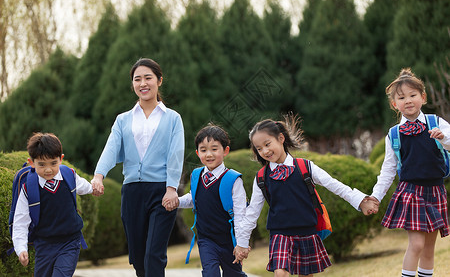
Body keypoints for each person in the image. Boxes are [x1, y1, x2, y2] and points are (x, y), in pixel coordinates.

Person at [235, 115, 378, 276]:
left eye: (267, 144)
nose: (265, 151)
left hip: (307, 231)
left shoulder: (305, 167)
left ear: (281, 138)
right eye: (259, 149)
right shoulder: (261, 177)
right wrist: (241, 243)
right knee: (280, 273)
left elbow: (334, 185)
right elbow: (252, 212)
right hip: (279, 233)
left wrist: (360, 201)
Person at [91, 58, 185, 277]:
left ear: (159, 81)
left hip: (162, 192)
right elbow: (111, 148)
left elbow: (176, 154)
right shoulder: (123, 119)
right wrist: (98, 176)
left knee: (154, 254)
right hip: (132, 192)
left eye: (148, 78)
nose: (143, 83)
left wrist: (172, 188)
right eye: (137, 79)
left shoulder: (173, 118)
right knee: (138, 256)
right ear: (133, 84)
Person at [364, 68, 450, 277]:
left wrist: (443, 138)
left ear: (423, 97)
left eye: (413, 95)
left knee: (429, 248)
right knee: (417, 244)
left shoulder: (436, 122)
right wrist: (375, 196)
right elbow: (388, 170)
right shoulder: (394, 134)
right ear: (395, 104)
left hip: (435, 190)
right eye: (402, 98)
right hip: (411, 192)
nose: (408, 101)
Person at [12, 132, 93, 276]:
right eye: (41, 165)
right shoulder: (28, 188)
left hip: (70, 242)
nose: (48, 169)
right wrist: (21, 249)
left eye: (53, 163)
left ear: (61, 159)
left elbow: (84, 186)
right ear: (32, 163)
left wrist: (95, 188)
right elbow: (21, 221)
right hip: (44, 245)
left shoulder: (69, 176)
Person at [178, 123, 249, 277]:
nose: (208, 154)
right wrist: (177, 202)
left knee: (233, 274)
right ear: (197, 153)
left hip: (229, 241)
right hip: (206, 240)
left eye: (214, 149)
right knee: (210, 273)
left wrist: (241, 244)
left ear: (226, 151)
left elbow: (240, 213)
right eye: (203, 150)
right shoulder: (196, 175)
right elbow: (193, 197)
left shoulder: (232, 179)